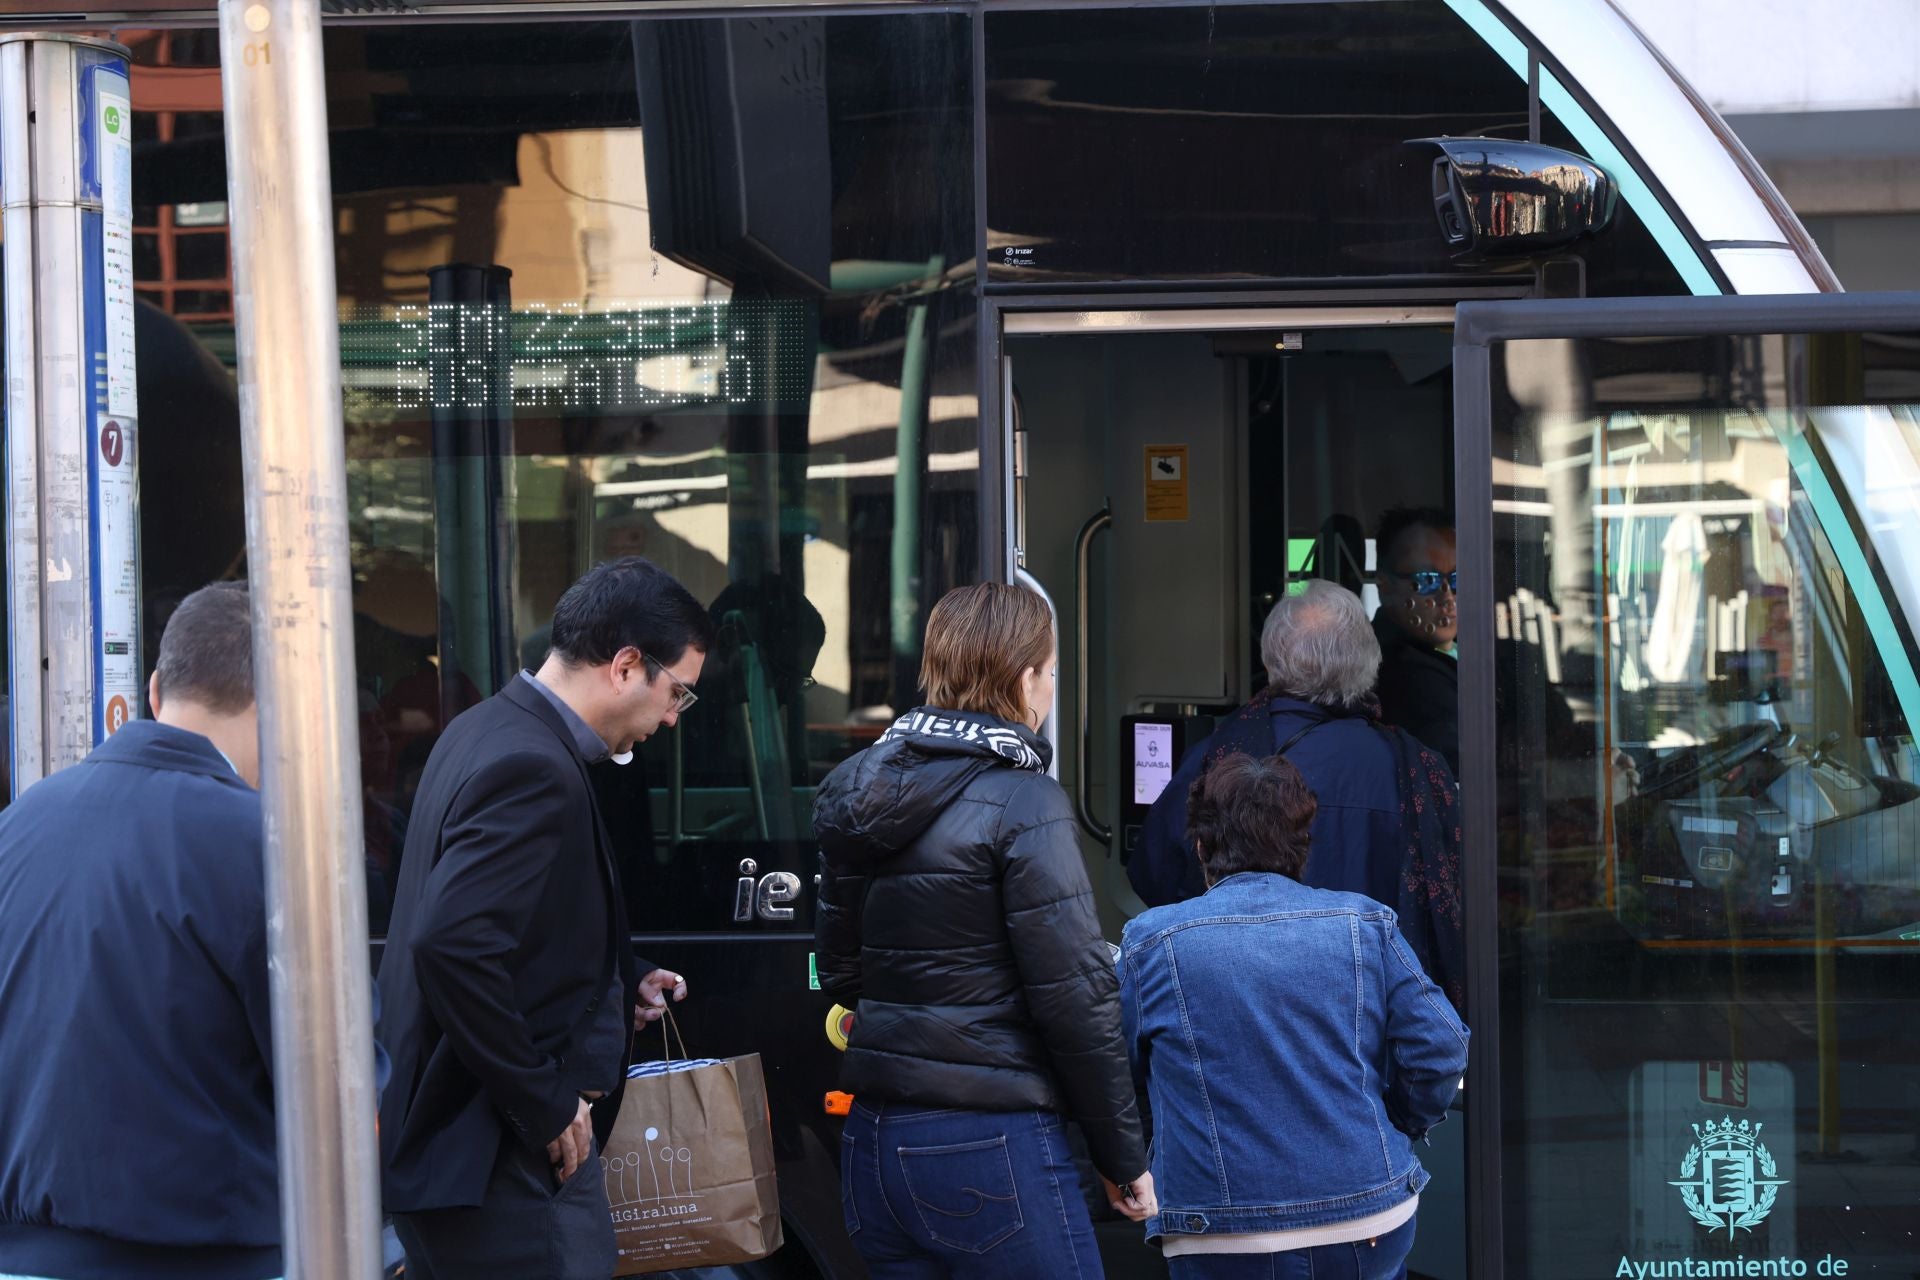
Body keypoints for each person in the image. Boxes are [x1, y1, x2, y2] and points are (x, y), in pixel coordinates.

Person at [0, 581, 383, 1280]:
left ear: (154, 690)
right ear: (292, 705)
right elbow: (344, 1095)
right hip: (215, 1257)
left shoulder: (16, 827)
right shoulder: (273, 849)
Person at [377, 557, 711, 1279]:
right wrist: (549, 1104)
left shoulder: (483, 731)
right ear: (626, 665)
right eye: (677, 691)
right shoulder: (532, 765)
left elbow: (502, 927)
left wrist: (619, 980)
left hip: (469, 1159)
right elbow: (453, 944)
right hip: (501, 1162)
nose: (673, 717)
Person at [814, 582, 1156, 1278]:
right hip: (990, 1142)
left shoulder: (860, 787)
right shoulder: (1025, 799)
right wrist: (1122, 1159)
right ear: (1025, 676)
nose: (1052, 688)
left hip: (874, 1139)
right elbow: (1075, 1000)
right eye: (1053, 672)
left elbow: (843, 974)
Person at [1119, 753, 1470, 1280]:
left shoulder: (1153, 940)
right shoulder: (1364, 922)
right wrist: (1397, 1119)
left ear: (1200, 846)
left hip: (1220, 1230)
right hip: (1368, 1215)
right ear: (1301, 844)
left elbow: (1111, 1073)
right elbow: (1442, 1046)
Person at [1129, 581, 1464, 1006]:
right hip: (1376, 1018)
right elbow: (1453, 903)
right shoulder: (1417, 769)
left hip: (1243, 1012)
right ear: (1368, 663)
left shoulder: (1217, 758)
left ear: (1271, 661)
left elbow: (1155, 875)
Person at [1374, 507, 1459, 774]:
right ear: (1384, 585)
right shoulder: (1399, 672)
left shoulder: (1478, 649)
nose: (1447, 598)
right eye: (1426, 580)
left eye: (1457, 579)